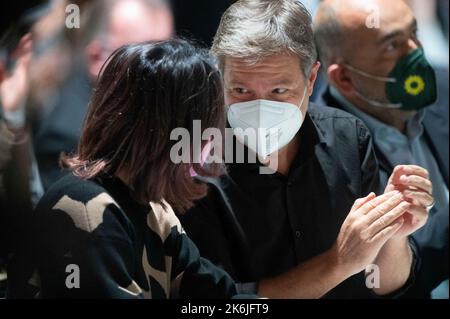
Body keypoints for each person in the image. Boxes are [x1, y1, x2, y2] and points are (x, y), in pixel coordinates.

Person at [179, 0, 434, 298]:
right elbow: (218, 303)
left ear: (311, 79)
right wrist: (338, 263)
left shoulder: (349, 138)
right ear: (219, 80)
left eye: (279, 91)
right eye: (241, 90)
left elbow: (386, 286)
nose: (261, 109)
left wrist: (393, 233)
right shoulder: (196, 167)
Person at [25, 39, 257, 298]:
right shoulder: (87, 210)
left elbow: (220, 297)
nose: (212, 144)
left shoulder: (155, 209)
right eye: (208, 130)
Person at [313, 0, 448, 298]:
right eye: (392, 45)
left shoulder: (444, 87)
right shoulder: (322, 157)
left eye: (413, 33)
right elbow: (383, 281)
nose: (415, 52)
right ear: (344, 78)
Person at [32, 0, 174, 190]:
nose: (168, 68)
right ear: (98, 57)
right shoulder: (69, 138)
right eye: (151, 57)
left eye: (171, 52)